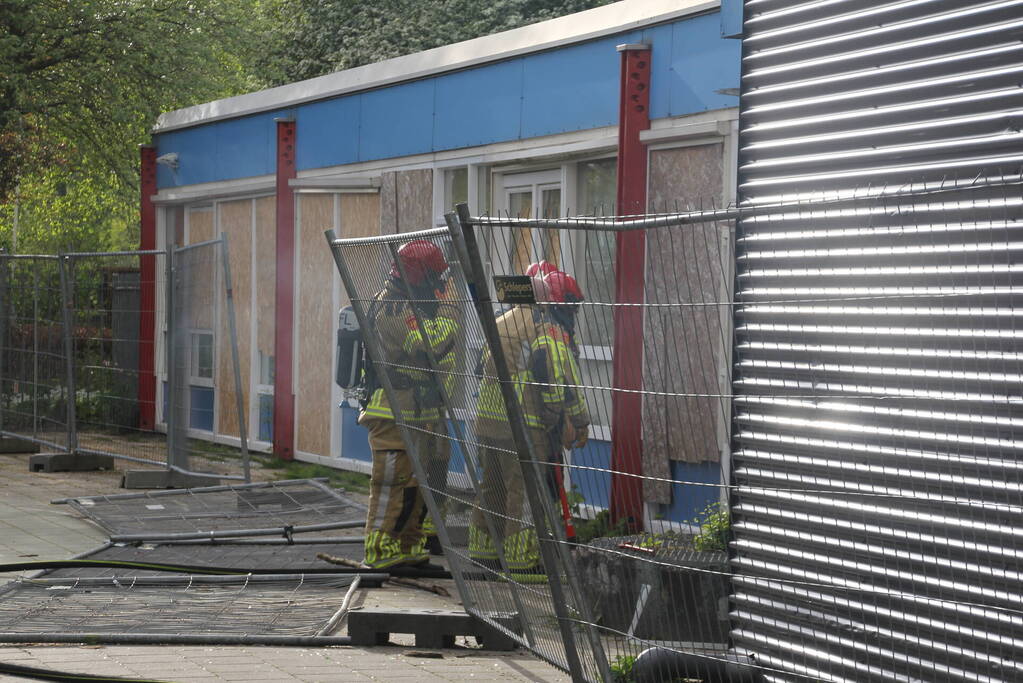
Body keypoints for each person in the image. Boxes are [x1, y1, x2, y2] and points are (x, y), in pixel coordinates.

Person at [468, 266, 589, 582]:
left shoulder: (499, 322)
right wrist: (571, 420)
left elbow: (480, 369)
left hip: (488, 422)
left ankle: (484, 553)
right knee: (524, 492)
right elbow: (557, 377)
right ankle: (522, 561)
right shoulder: (542, 329)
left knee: (492, 488)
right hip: (524, 424)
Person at [359, 239, 458, 569]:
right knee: (391, 482)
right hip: (392, 412)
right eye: (436, 278)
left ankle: (407, 546)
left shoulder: (410, 303)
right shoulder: (393, 307)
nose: (441, 285)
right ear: (421, 277)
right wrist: (450, 309)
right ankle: (379, 550)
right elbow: (428, 347)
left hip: (416, 412)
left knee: (416, 485)